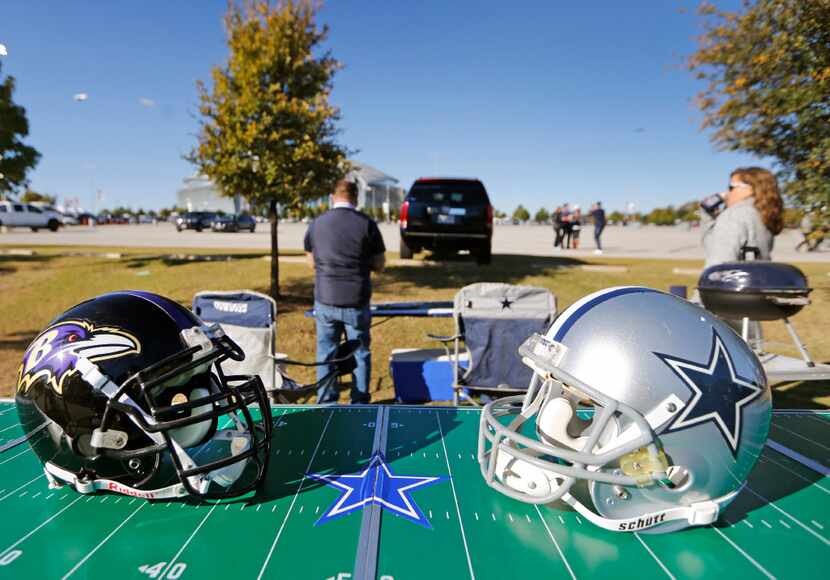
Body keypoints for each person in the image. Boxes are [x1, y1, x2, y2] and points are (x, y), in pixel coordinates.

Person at [304, 179, 386, 404]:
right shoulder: (366, 224)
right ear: (356, 198)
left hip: (325, 298)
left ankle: (327, 402)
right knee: (359, 353)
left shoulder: (317, 223)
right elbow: (380, 264)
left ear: (333, 197)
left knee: (326, 353)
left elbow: (311, 260)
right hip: (356, 300)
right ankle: (359, 402)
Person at [702, 166, 783, 268]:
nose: (727, 193)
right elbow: (713, 245)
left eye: (731, 187)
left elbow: (717, 266)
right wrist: (708, 218)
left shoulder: (734, 214)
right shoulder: (764, 215)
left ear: (750, 189)